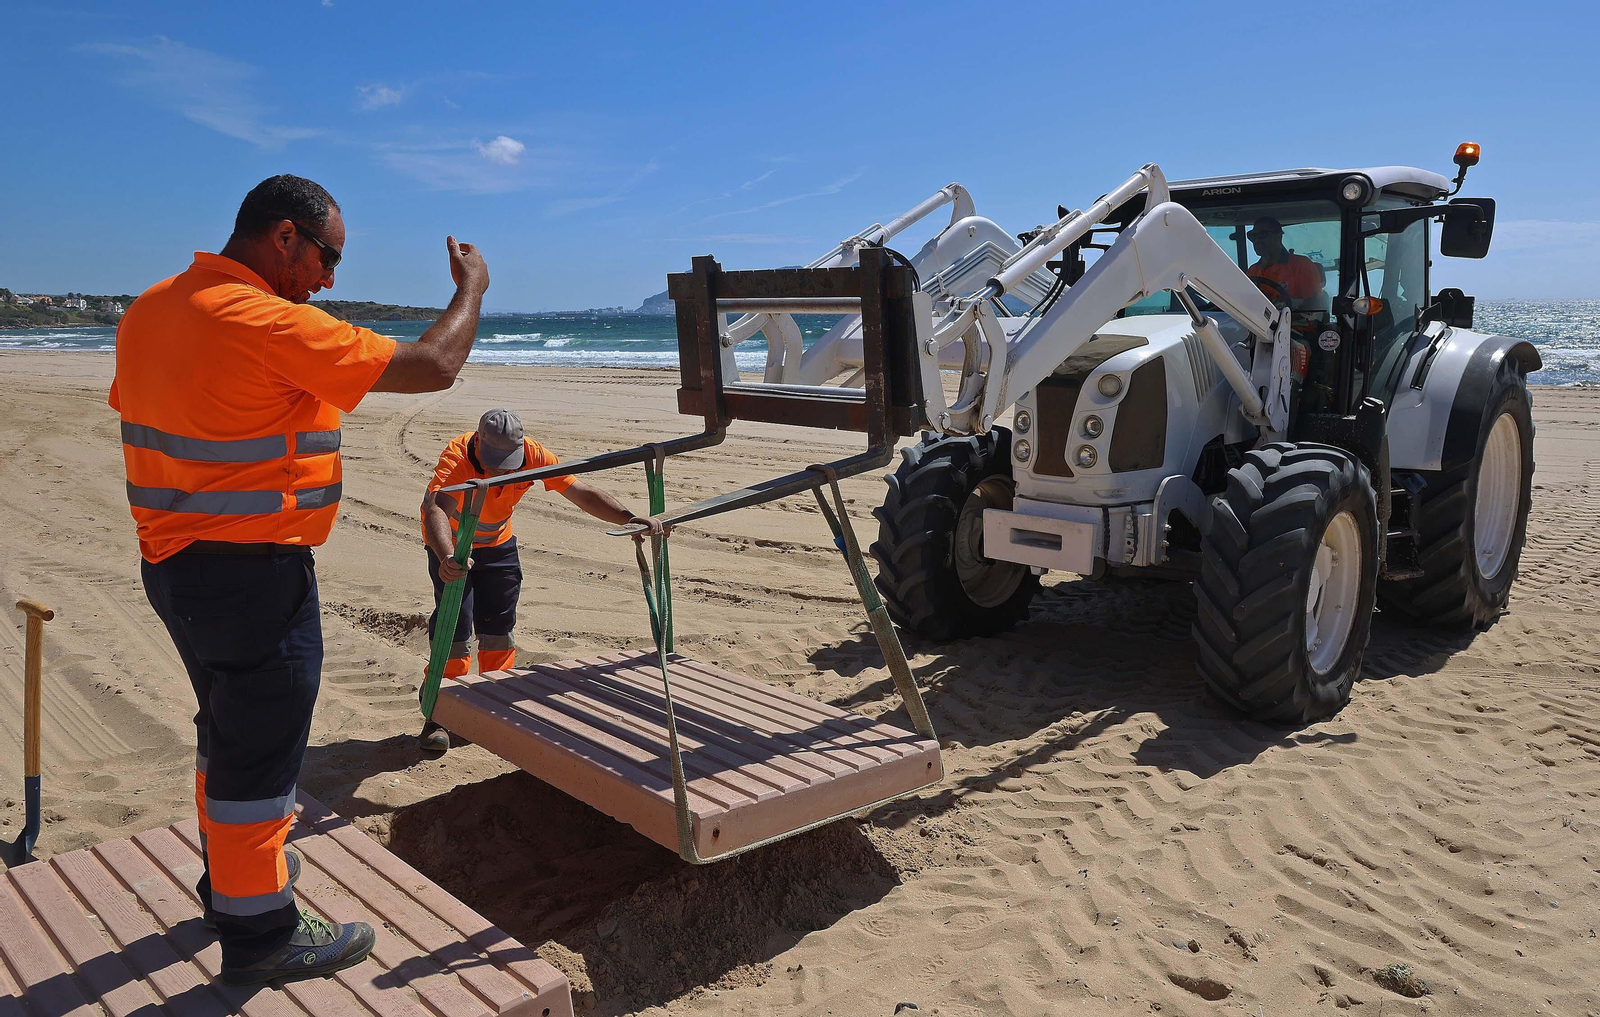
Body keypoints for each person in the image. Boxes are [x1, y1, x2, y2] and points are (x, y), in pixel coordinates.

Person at [111, 173, 491, 985]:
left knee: (227, 726)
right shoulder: (260, 319)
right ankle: (262, 933)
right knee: (260, 749)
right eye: (328, 258)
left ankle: (231, 882)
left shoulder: (150, 309)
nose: (328, 280)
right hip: (252, 574)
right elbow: (435, 363)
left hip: (174, 565)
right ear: (285, 236)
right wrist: (473, 289)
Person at [417, 408, 658, 752]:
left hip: (498, 543)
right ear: (479, 442)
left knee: (499, 629)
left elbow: (580, 490)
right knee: (455, 626)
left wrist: (629, 519)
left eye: (508, 461)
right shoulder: (457, 457)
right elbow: (437, 508)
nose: (503, 468)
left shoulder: (533, 455)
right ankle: (438, 714)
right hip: (452, 545)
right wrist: (445, 557)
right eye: (495, 461)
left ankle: (493, 701)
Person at [1245, 216, 1327, 307]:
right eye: (1253, 236)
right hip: (1255, 321)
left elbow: (1313, 305)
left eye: (1262, 235)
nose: (1257, 240)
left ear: (1278, 236)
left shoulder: (1301, 265)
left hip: (1294, 320)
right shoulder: (1252, 271)